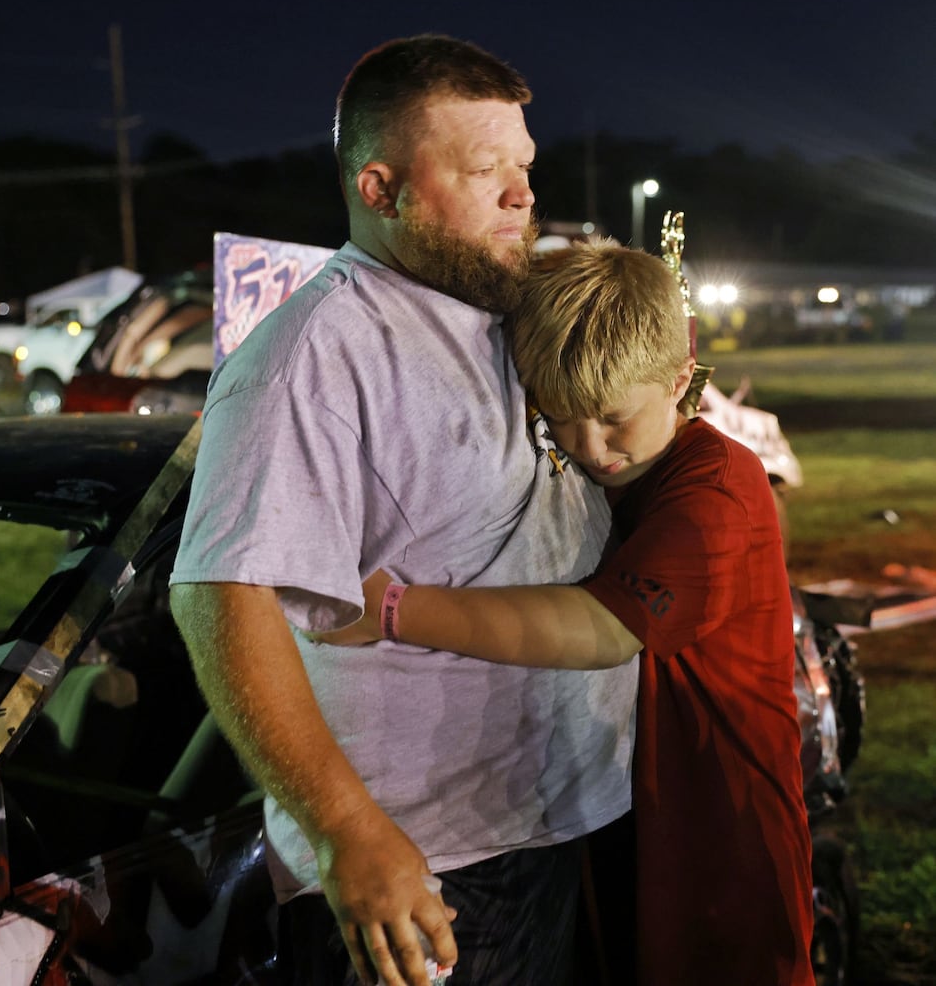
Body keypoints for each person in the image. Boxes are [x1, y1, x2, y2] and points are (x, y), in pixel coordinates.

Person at [168, 35, 637, 986]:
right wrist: (348, 834)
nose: (520, 194)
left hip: (553, 814)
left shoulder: (502, 308)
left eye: (523, 167)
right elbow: (218, 596)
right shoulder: (315, 356)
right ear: (381, 190)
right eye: (481, 169)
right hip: (425, 869)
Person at [332, 237, 816, 985]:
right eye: (557, 419)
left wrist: (393, 609)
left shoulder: (718, 489)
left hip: (716, 822)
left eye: (612, 418)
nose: (590, 448)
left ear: (681, 376)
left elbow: (601, 629)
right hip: (625, 809)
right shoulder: (602, 469)